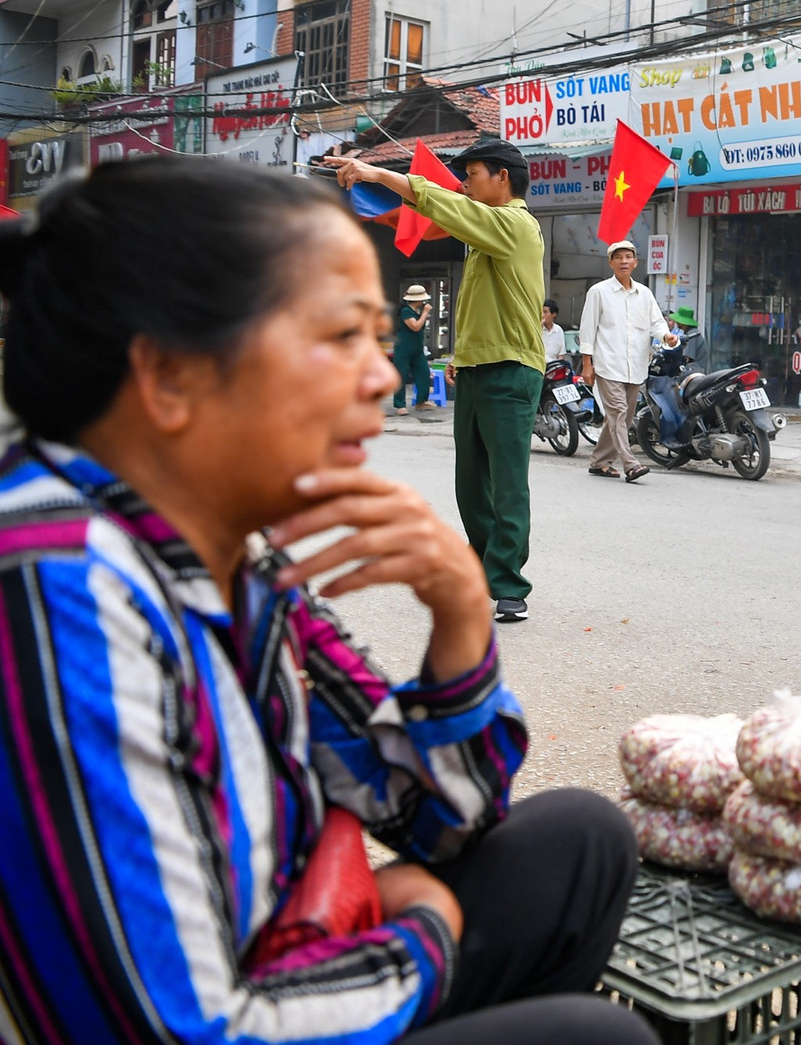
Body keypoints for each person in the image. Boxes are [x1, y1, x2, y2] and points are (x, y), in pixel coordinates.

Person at [0, 159, 646, 1045]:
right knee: (593, 1037)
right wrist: (423, 935)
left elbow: (434, 818)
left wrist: (461, 613)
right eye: (344, 336)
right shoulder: (60, 583)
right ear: (171, 376)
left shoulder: (240, 559)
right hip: (216, 1017)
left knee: (581, 839)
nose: (382, 376)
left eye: (381, 337)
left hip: (274, 951)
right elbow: (184, 1030)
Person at [329, 137, 545, 623]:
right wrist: (461, 356)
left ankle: (509, 584)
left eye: (472, 174)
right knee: (471, 482)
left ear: (502, 178)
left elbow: (443, 204)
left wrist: (378, 175)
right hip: (476, 367)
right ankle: (483, 567)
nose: (465, 183)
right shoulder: (484, 232)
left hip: (511, 369)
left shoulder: (515, 224)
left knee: (507, 483)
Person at [578, 238, 669, 485]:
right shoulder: (599, 292)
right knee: (618, 412)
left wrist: (666, 336)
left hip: (636, 366)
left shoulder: (645, 294)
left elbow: (656, 323)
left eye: (628, 257)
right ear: (611, 263)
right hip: (608, 364)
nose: (623, 261)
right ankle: (630, 464)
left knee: (622, 417)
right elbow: (588, 329)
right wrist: (587, 363)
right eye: (618, 257)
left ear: (635, 262)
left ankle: (599, 461)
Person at [394, 283, 437, 414]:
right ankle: (400, 405)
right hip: (403, 348)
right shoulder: (406, 311)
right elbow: (415, 326)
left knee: (423, 373)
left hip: (417, 349)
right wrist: (425, 312)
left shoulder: (418, 311)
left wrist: (423, 313)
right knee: (401, 375)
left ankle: (421, 401)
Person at [542, 298, 567, 363]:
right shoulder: (538, 329)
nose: (542, 315)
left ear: (554, 314)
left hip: (553, 365)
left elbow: (561, 354)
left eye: (545, 312)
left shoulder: (558, 330)